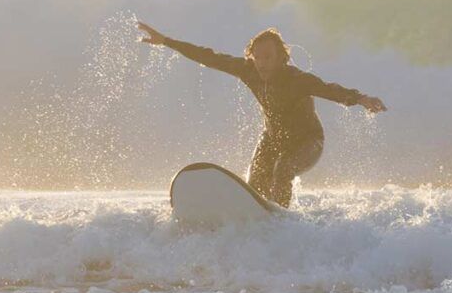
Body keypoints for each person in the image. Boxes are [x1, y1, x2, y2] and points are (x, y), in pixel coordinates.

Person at [137, 22, 387, 207]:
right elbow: (209, 57)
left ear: (281, 58)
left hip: (308, 141)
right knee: (254, 183)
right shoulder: (249, 71)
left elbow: (329, 89)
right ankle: (262, 217)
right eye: (257, 58)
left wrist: (362, 99)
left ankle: (281, 222)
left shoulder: (297, 79)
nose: (262, 63)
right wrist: (167, 41)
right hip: (273, 139)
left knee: (283, 169)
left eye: (268, 57)